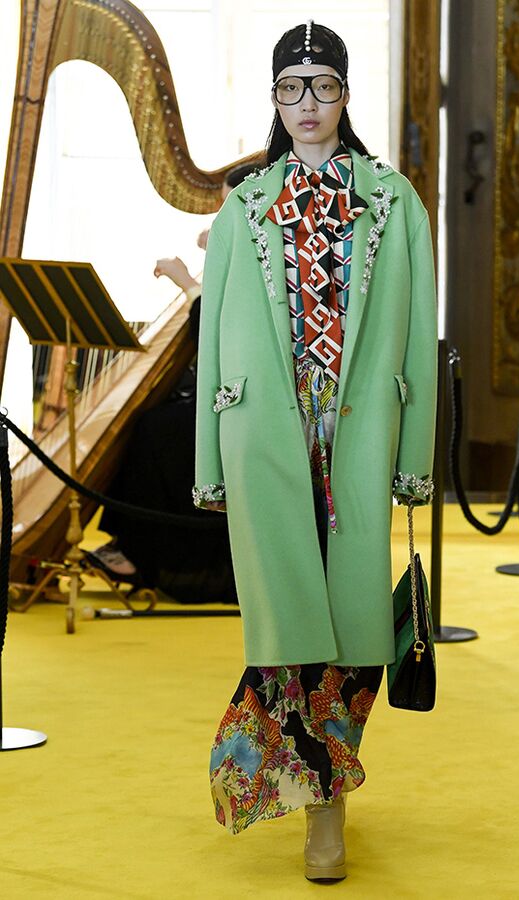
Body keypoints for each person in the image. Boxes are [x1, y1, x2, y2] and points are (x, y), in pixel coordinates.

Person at [193, 20, 437, 881]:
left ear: (345, 95)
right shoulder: (245, 204)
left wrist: (414, 459)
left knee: (358, 625)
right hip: (266, 433)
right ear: (274, 98)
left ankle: (309, 784)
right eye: (291, 88)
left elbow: (418, 339)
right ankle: (319, 806)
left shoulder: (394, 201)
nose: (307, 104)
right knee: (288, 617)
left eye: (323, 85)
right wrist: (210, 463)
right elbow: (212, 343)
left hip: (358, 430)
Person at [89, 164, 257, 599]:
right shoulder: (243, 247)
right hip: (234, 392)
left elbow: (217, 333)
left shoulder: (266, 255)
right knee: (156, 423)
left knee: (154, 430)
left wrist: (188, 283)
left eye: (228, 206)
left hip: (258, 402)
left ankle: (142, 554)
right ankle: (129, 545)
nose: (220, 216)